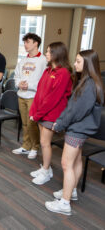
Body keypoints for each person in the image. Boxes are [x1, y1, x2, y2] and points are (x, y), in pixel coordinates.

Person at [45, 50, 104, 215]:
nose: (75, 64)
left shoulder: (89, 85)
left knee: (66, 164)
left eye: (78, 61)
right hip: (80, 129)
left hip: (77, 130)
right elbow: (72, 107)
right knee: (77, 161)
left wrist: (60, 124)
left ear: (87, 64)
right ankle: (71, 191)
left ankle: (65, 203)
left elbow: (76, 111)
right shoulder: (88, 81)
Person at [29, 42, 72, 185]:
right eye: (46, 51)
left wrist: (38, 114)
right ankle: (45, 169)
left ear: (57, 54)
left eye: (49, 52)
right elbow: (39, 93)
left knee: (44, 143)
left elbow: (53, 98)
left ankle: (46, 171)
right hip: (42, 112)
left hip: (51, 113)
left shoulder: (63, 73)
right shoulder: (48, 71)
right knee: (43, 143)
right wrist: (34, 111)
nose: (46, 54)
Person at [12, 33, 47, 159]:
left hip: (34, 96)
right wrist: (18, 83)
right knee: (25, 123)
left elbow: (44, 80)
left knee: (32, 123)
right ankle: (26, 146)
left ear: (36, 43)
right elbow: (16, 76)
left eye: (28, 42)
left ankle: (35, 147)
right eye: (25, 42)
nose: (25, 45)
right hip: (22, 95)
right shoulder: (23, 60)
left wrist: (30, 85)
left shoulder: (43, 60)